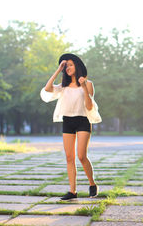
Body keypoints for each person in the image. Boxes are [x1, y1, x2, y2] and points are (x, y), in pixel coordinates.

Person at [40, 53, 102, 200]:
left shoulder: (88, 84)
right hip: (68, 121)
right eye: (65, 66)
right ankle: (72, 191)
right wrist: (58, 69)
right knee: (69, 157)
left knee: (81, 156)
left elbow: (89, 106)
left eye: (70, 65)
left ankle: (92, 184)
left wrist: (84, 87)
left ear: (77, 65)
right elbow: (47, 89)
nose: (67, 68)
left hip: (83, 120)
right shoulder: (63, 86)